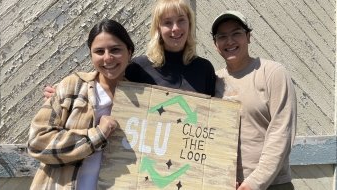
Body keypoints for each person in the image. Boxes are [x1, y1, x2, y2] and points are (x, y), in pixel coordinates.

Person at [28, 19, 135, 190]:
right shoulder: (73, 86)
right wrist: (97, 135)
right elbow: (37, 142)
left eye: (115, 50)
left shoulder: (140, 100)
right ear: (91, 55)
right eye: (99, 51)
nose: (107, 57)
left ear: (129, 52)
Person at [44, 0, 216, 97]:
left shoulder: (204, 68)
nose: (175, 28)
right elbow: (103, 88)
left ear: (190, 24)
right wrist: (65, 93)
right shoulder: (138, 67)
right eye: (167, 22)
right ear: (157, 28)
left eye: (181, 20)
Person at [211, 10, 297, 190]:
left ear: (248, 37)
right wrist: (220, 176)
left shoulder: (272, 73)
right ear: (215, 44)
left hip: (273, 184)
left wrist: (254, 183)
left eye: (236, 33)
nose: (230, 41)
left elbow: (281, 132)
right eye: (222, 36)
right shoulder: (214, 80)